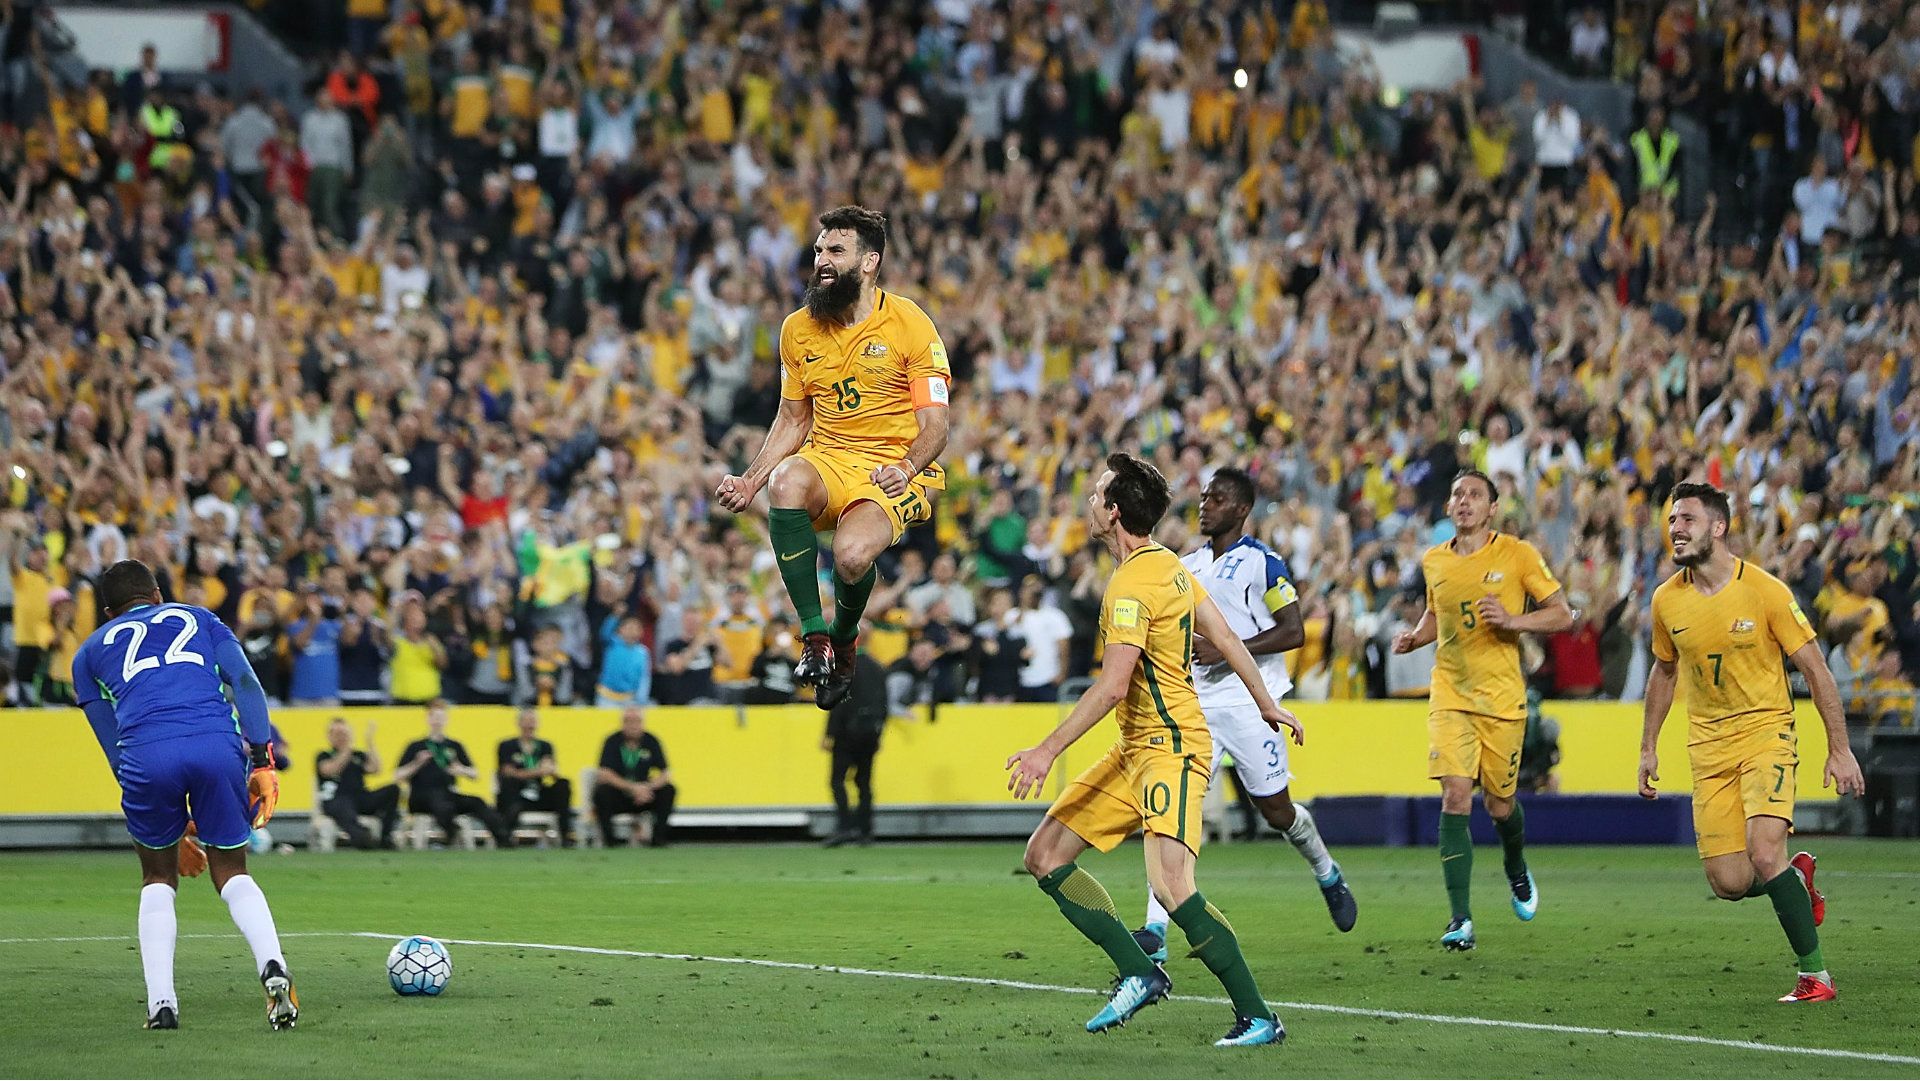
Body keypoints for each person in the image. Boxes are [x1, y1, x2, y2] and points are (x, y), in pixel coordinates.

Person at [1006, 454, 1301, 1048]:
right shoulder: (1167, 565)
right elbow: (1222, 635)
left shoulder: (1130, 586)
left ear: (1113, 512)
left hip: (1172, 747)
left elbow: (1113, 685)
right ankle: (1141, 972)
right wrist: (1265, 700)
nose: (1089, 502)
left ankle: (1259, 1016)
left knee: (1171, 886)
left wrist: (1047, 748)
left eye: (1096, 495)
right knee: (1045, 855)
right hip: (1133, 747)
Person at [716, 205, 953, 712]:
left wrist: (907, 468)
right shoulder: (797, 330)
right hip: (828, 458)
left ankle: (844, 640)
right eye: (819, 249)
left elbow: (937, 425)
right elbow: (794, 419)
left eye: (835, 250)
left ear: (869, 262)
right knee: (785, 482)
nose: (821, 259)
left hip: (893, 468)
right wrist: (750, 480)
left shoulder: (911, 324)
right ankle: (815, 638)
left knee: (850, 557)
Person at [1640, 482, 1865, 1004]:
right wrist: (1649, 745)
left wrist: (1839, 747)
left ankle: (1816, 977)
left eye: (1688, 519)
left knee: (1765, 852)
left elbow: (1814, 667)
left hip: (1766, 734)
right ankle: (1796, 878)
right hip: (1708, 747)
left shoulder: (1765, 591)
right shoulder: (1666, 601)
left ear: (1718, 527)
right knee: (1730, 882)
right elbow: (1664, 671)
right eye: (1673, 520)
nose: (1676, 529)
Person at [1133, 468, 1356, 962]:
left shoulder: (1264, 563)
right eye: (1205, 495)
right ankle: (1154, 928)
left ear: (1241, 509)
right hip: (1198, 706)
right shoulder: (1184, 564)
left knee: (1276, 812)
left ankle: (1325, 869)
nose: (1205, 504)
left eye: (1218, 498)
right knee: (1176, 810)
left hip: (1255, 704)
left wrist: (1228, 650)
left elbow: (1293, 630)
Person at [69, 559, 298, 1031]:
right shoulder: (201, 617)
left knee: (157, 878)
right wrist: (262, 761)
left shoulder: (87, 654)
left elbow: (113, 746)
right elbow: (247, 683)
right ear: (157, 595)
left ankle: (162, 1005)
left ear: (109, 612)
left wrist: (169, 836)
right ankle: (272, 965)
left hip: (146, 754)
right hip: (214, 743)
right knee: (232, 871)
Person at [1392, 471, 1574, 951]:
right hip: (1451, 694)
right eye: (1457, 495)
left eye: (1475, 495)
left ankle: (1515, 863)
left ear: (1492, 508)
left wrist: (1514, 621)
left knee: (1500, 805)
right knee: (1455, 795)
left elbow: (1563, 613)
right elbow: (1438, 615)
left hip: (1502, 701)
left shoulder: (1517, 554)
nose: (1464, 501)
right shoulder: (1434, 561)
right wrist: (1416, 637)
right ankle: (1460, 918)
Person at [392, 700, 512, 847]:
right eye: (435, 717)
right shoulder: (416, 746)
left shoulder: (454, 746)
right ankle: (451, 834)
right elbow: (397, 776)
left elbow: (475, 773)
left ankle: (503, 838)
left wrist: (460, 769)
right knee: (439, 802)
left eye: (441, 717)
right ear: (428, 719)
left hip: (448, 794)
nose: (438, 721)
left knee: (477, 801)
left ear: (446, 720)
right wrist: (417, 763)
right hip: (421, 796)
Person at [822, 651, 887, 847]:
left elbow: (838, 701)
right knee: (864, 783)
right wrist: (879, 732)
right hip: (869, 732)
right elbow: (884, 700)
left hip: (847, 733)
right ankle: (865, 830)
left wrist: (829, 733)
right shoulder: (877, 666)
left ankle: (844, 827)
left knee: (837, 781)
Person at [593, 706, 676, 847]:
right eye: (628, 721)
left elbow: (665, 773)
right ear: (622, 723)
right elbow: (604, 773)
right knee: (602, 792)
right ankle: (610, 841)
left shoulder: (651, 741)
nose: (633, 725)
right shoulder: (612, 741)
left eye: (636, 721)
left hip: (645, 796)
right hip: (620, 794)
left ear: (643, 723)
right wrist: (632, 788)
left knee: (668, 790)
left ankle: (658, 839)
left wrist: (647, 788)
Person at [315, 717, 400, 849]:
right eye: (338, 734)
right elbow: (330, 770)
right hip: (336, 799)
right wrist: (347, 749)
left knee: (393, 790)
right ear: (330, 736)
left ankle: (386, 837)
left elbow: (375, 769)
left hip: (360, 797)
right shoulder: (324, 755)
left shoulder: (357, 755)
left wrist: (370, 743)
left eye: (344, 734)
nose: (342, 737)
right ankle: (362, 838)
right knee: (345, 810)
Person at [496, 707, 575, 845]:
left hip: (538, 793)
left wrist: (551, 771)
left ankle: (566, 835)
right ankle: (505, 838)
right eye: (526, 721)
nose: (530, 725)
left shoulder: (545, 746)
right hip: (517, 795)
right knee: (509, 785)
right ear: (519, 723)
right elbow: (508, 772)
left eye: (533, 721)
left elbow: (551, 770)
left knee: (563, 784)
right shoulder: (507, 746)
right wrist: (537, 771)